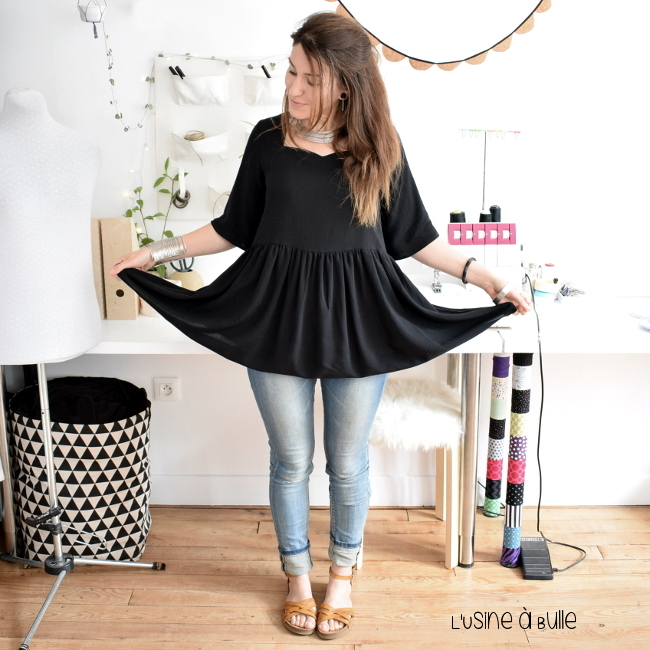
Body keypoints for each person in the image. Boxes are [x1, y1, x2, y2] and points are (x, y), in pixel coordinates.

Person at [110, 11, 531, 640]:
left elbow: (416, 240)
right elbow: (232, 228)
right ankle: (297, 578)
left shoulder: (380, 148)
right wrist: (155, 253)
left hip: (358, 326)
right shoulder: (267, 141)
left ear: (345, 84)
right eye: (291, 72)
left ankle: (341, 578)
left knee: (347, 464)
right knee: (290, 461)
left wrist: (488, 278)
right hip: (276, 321)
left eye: (309, 78)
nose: (292, 87)